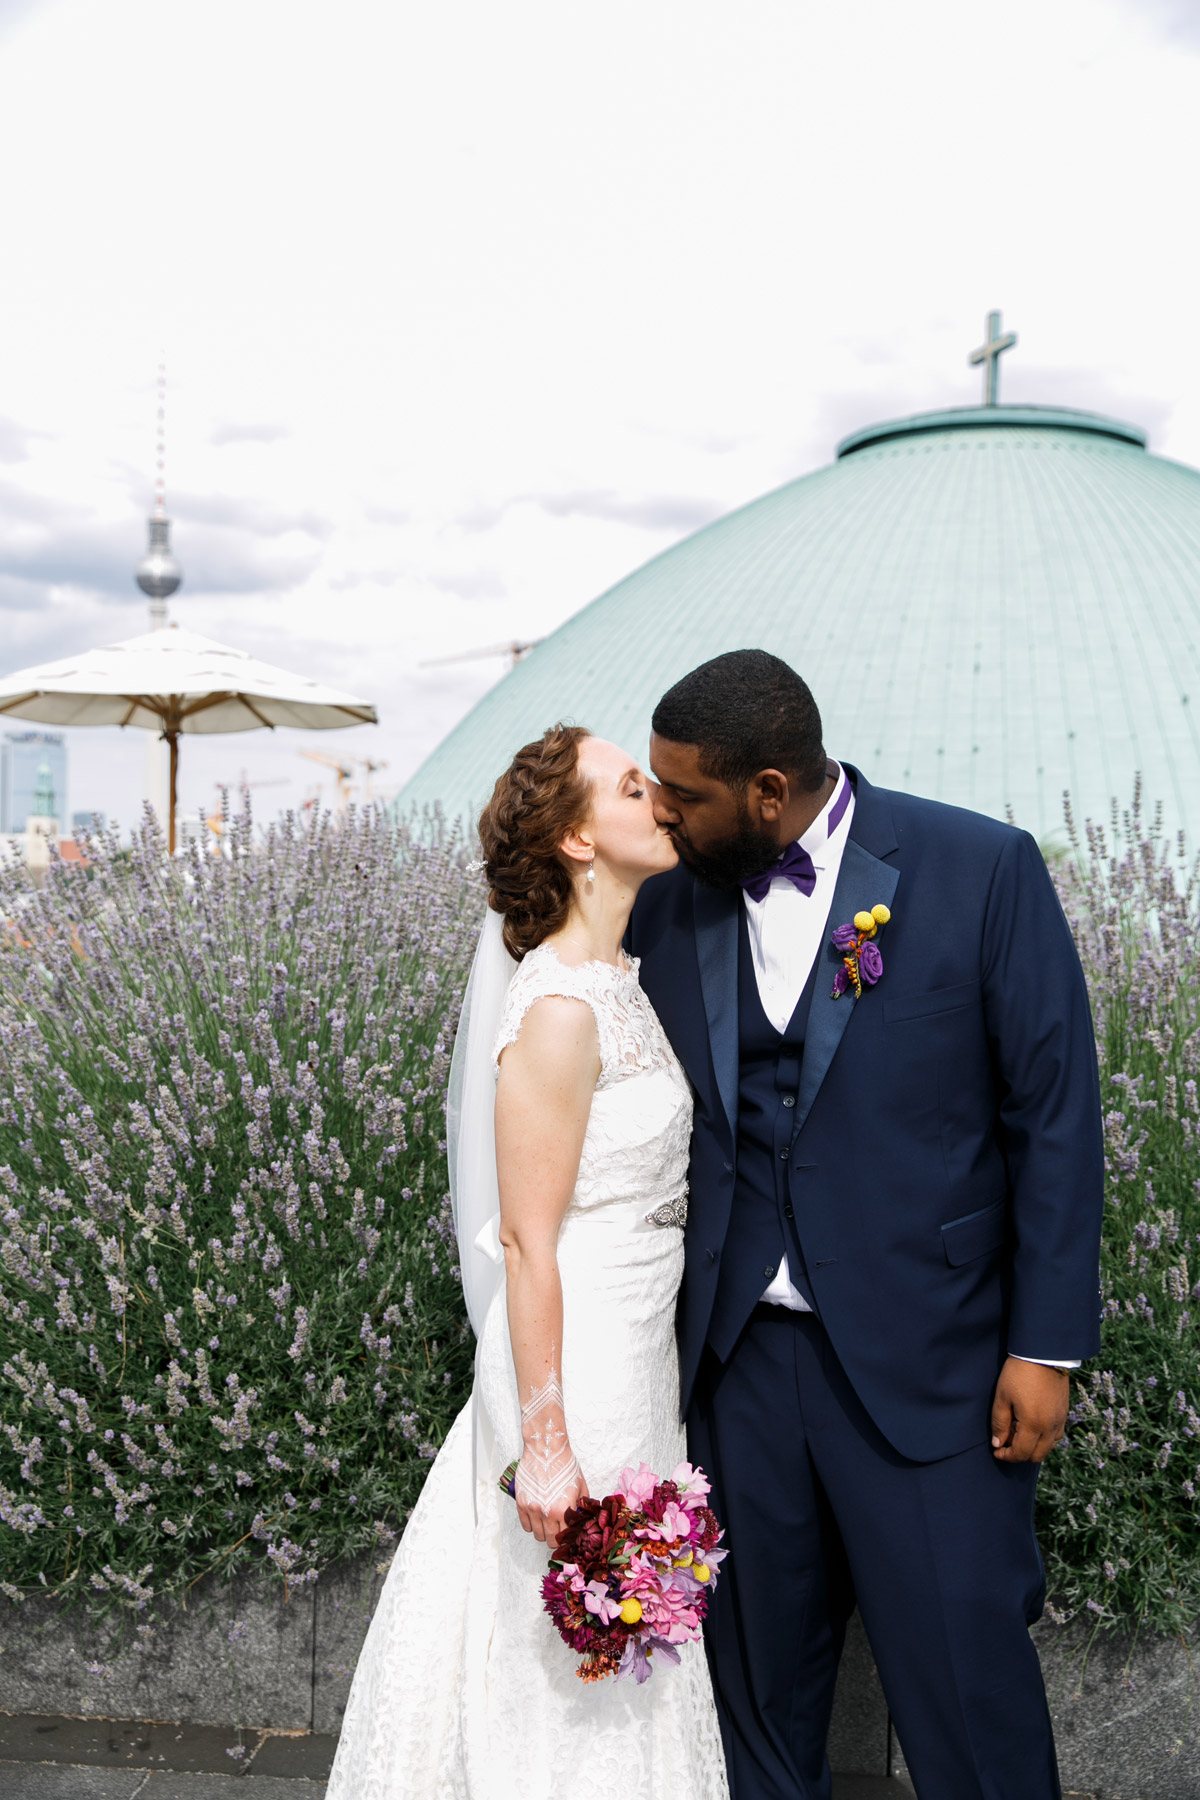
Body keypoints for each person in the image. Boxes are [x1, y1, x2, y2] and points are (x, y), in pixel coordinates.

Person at [627, 648, 1105, 1800]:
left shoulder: (981, 868)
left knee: (968, 1698)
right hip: (740, 1369)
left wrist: (1045, 1346)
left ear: (770, 791)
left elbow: (1055, 1113)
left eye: (684, 794)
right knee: (755, 1710)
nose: (662, 812)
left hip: (931, 1362)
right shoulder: (666, 899)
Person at [326, 724, 729, 1800]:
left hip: (636, 1350)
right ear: (576, 838)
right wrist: (545, 1442)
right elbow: (524, 1236)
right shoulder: (556, 1009)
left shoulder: (619, 981)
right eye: (634, 789)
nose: (662, 802)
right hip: (576, 1357)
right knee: (564, 1643)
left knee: (625, 1636)